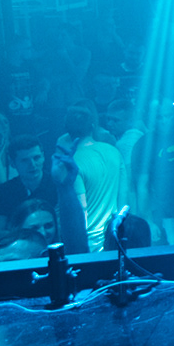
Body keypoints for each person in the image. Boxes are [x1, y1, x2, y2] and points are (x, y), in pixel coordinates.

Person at [0, 138, 89, 255]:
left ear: (43, 156)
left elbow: (74, 227)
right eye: (25, 160)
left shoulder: (58, 185)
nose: (32, 165)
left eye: (36, 158)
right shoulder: (4, 191)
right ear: (13, 163)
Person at [60, 103, 122, 252]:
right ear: (93, 126)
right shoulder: (114, 152)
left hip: (89, 243)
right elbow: (124, 195)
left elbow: (81, 210)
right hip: (115, 235)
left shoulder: (72, 163)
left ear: (66, 130)